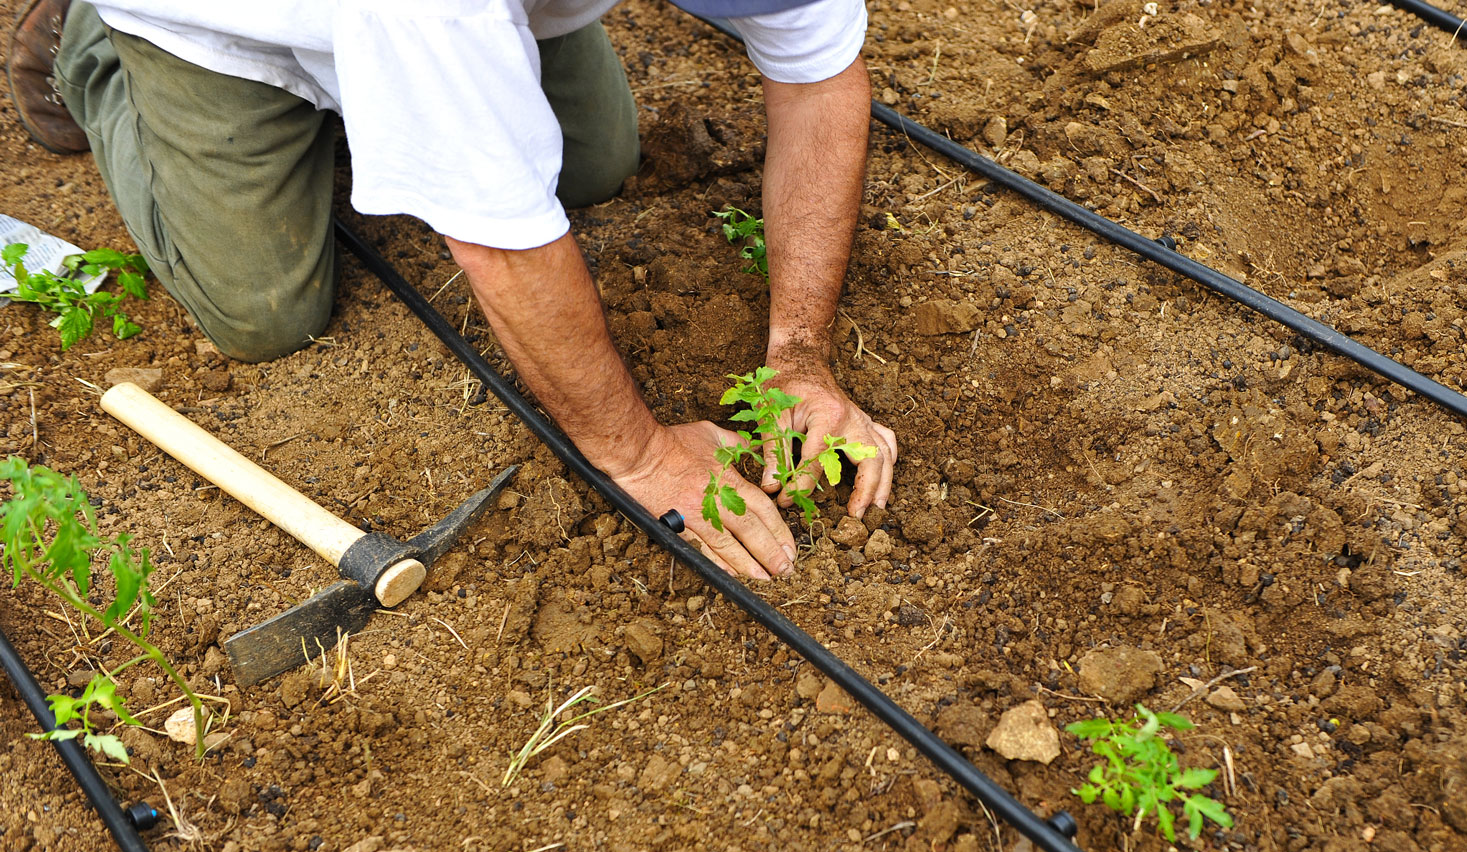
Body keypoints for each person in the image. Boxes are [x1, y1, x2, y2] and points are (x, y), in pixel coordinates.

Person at [7, 0, 897, 580]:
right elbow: (501, 244)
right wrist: (639, 455)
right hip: (218, 22)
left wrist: (798, 359)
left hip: (440, 25)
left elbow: (818, 75)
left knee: (596, 167)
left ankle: (422, 96)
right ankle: (89, 44)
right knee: (263, 310)